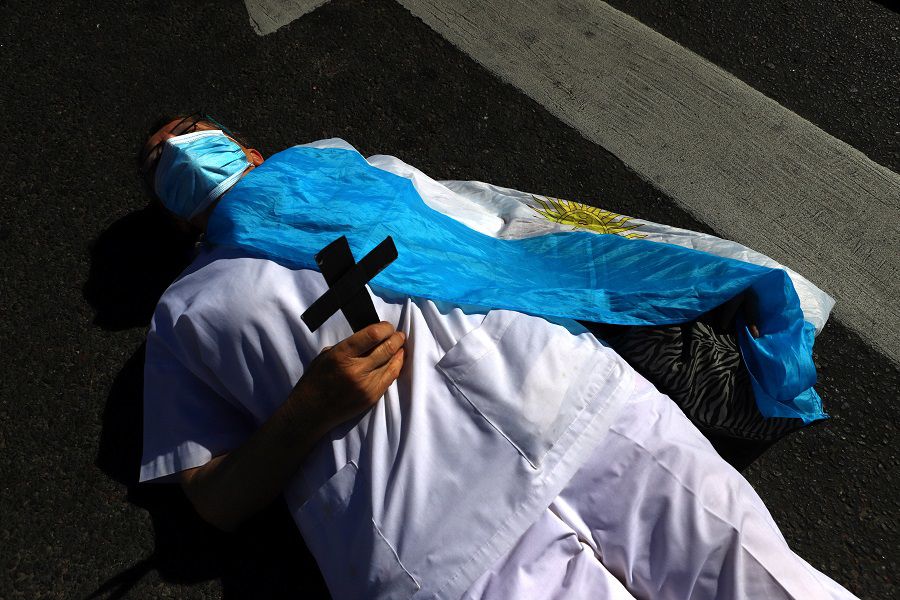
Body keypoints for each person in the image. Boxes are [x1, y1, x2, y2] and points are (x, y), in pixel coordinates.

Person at [138, 113, 856, 599]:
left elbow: (508, 238)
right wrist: (303, 414)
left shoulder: (358, 170)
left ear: (248, 149)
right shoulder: (185, 313)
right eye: (159, 159)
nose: (176, 148)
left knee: (767, 579)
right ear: (174, 216)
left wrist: (643, 286)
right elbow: (211, 500)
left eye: (193, 131)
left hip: (580, 409)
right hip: (443, 534)